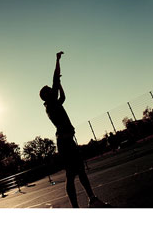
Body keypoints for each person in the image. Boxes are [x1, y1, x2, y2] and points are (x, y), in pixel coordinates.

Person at [40, 51, 106, 208]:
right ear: (47, 95)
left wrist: (60, 85)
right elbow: (55, 78)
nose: (52, 88)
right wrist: (57, 60)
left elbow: (63, 97)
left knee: (81, 171)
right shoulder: (50, 105)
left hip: (67, 140)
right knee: (71, 175)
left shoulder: (54, 104)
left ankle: (92, 199)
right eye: (50, 89)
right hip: (65, 142)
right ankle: (77, 208)